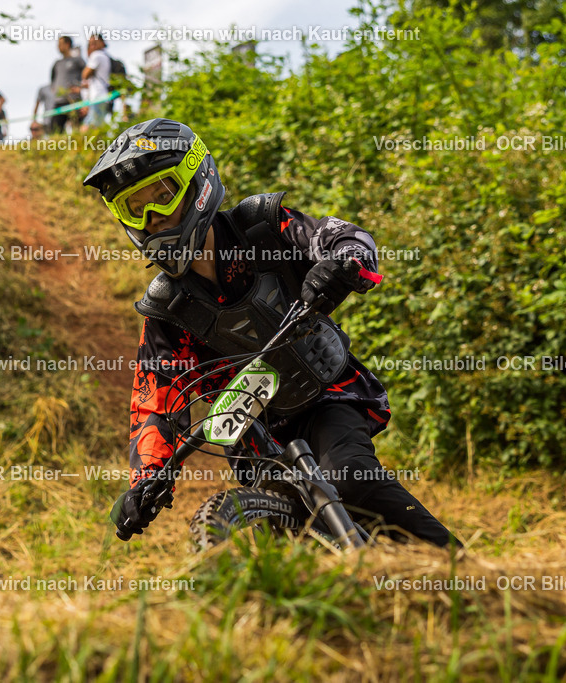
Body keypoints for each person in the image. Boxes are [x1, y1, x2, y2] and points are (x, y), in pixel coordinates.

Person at [83, 118, 461, 549]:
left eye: (163, 196)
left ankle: (459, 569)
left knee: (350, 480)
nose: (152, 218)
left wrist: (342, 265)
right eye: (136, 207)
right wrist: (147, 480)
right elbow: (154, 402)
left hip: (326, 395)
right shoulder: (168, 308)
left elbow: (346, 238)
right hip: (253, 435)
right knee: (283, 542)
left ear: (196, 183)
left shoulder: (261, 228)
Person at [50, 36, 86, 134]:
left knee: (77, 128)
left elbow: (87, 77)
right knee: (55, 130)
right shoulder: (57, 63)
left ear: (68, 44)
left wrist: (81, 89)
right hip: (59, 101)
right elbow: (53, 80)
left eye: (60, 44)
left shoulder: (78, 60)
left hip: (74, 100)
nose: (58, 47)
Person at [79, 34, 111, 130]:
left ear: (102, 43)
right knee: (97, 124)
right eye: (90, 44)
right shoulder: (105, 57)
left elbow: (85, 74)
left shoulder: (96, 55)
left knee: (90, 126)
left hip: (98, 96)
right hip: (102, 96)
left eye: (94, 43)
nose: (92, 47)